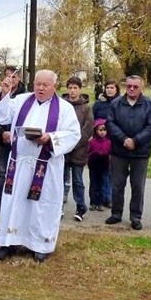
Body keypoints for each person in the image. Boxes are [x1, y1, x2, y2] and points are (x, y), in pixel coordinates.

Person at [0, 69, 80, 263]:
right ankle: (9, 241)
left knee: (41, 205)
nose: (40, 88)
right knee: (14, 202)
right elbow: (1, 117)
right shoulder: (21, 100)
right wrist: (6, 93)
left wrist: (50, 138)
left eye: (45, 85)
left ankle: (41, 244)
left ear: (54, 86)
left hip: (45, 167)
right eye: (37, 84)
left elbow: (73, 134)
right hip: (19, 164)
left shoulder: (64, 108)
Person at [105, 75, 151, 230]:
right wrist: (123, 139)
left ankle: (135, 216)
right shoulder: (115, 104)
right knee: (117, 185)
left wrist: (135, 141)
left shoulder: (149, 105)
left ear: (142, 87)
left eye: (135, 86)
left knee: (138, 186)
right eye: (129, 86)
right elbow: (110, 123)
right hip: (119, 151)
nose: (132, 89)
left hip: (140, 152)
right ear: (125, 86)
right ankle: (116, 213)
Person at [0, 65, 26, 217]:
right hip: (2, 140)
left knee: (18, 173)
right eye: (8, 77)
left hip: (19, 141)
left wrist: (15, 133)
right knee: (2, 172)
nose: (11, 79)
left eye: (14, 76)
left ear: (19, 78)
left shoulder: (25, 96)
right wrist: (1, 132)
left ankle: (16, 204)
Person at [62, 76, 93, 221]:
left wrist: (74, 144)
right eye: (70, 88)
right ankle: (58, 206)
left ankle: (80, 207)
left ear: (80, 90)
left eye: (75, 88)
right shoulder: (61, 105)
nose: (72, 91)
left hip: (79, 150)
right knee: (60, 179)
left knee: (77, 180)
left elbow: (87, 130)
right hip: (63, 149)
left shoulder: (86, 108)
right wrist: (64, 144)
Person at [92, 80, 120, 208]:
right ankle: (96, 198)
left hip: (113, 141)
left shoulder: (120, 103)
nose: (109, 90)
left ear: (116, 89)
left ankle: (108, 198)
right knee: (97, 172)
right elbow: (93, 119)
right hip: (98, 141)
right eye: (107, 87)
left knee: (109, 173)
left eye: (112, 87)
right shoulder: (99, 104)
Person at [88, 119, 111, 211]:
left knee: (102, 183)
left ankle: (100, 202)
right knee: (93, 183)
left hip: (104, 165)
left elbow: (110, 153)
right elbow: (89, 152)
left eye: (104, 130)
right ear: (96, 131)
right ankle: (93, 202)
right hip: (94, 164)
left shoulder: (108, 142)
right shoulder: (92, 142)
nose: (102, 132)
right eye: (100, 130)